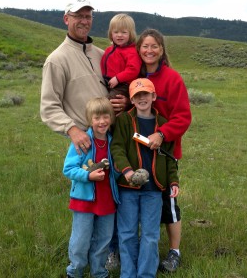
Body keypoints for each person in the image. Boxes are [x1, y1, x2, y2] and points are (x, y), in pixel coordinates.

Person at [40, 0, 129, 156]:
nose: (84, 21)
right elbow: (49, 107)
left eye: (88, 17)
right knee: (87, 180)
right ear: (66, 19)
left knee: (118, 180)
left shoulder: (102, 54)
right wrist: (72, 130)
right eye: (78, 16)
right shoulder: (57, 60)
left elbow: (122, 84)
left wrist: (126, 101)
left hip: (115, 138)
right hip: (86, 142)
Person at [111, 78, 179, 278]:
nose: (142, 99)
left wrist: (173, 182)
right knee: (127, 234)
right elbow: (117, 148)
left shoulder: (163, 125)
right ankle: (128, 274)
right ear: (131, 100)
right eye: (137, 96)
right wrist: (127, 172)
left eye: (146, 94)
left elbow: (170, 158)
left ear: (153, 96)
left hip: (154, 190)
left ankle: (146, 274)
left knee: (150, 235)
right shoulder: (124, 120)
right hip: (128, 188)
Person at [137, 29, 192, 273]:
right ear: (139, 49)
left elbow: (183, 117)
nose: (149, 50)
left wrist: (162, 134)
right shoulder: (135, 78)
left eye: (154, 46)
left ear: (162, 49)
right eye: (145, 46)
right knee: (136, 200)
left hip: (165, 154)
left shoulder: (172, 79)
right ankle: (140, 246)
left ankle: (174, 252)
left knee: (168, 204)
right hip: (136, 152)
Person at [63, 97, 120, 278]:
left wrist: (118, 171)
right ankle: (75, 271)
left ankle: (99, 272)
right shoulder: (82, 142)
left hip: (107, 200)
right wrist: (88, 176)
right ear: (90, 120)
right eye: (97, 118)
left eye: (105, 117)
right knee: (80, 240)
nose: (102, 122)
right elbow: (69, 169)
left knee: (103, 241)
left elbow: (116, 173)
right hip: (84, 200)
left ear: (111, 118)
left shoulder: (113, 143)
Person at [100, 13, 141, 99]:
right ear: (111, 34)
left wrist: (118, 78)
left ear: (131, 34)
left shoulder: (132, 51)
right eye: (116, 32)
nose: (119, 35)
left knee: (110, 102)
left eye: (124, 32)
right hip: (108, 81)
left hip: (123, 85)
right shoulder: (109, 50)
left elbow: (133, 70)